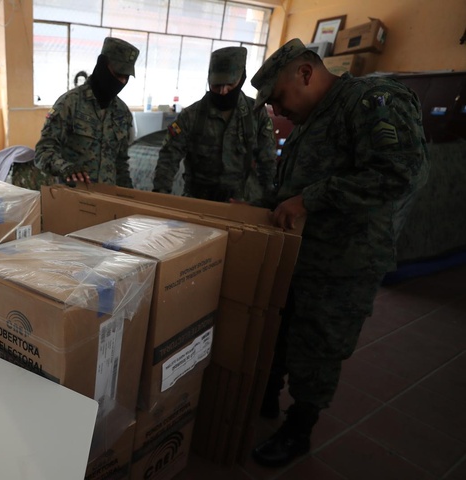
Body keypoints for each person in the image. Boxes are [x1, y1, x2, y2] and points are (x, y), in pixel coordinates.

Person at [248, 38, 429, 468]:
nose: (276, 111)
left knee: (318, 347)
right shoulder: (312, 117)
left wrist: (310, 200)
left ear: (306, 74)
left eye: (278, 98)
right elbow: (294, 187)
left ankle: (299, 429)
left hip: (344, 262)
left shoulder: (372, 101)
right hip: (301, 255)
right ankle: (267, 398)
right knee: (281, 331)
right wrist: (262, 205)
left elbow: (400, 173)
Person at [153, 46, 276, 203]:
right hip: (198, 201)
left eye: (230, 84)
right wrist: (160, 195)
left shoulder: (257, 114)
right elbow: (168, 157)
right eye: (217, 85)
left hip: (242, 201)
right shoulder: (191, 116)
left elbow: (267, 161)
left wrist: (268, 200)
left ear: (241, 78)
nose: (223, 91)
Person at [35, 37, 139, 187]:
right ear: (102, 65)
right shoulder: (70, 104)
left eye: (126, 77)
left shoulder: (122, 113)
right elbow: (42, 152)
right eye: (118, 74)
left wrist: (129, 197)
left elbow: (121, 164)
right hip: (73, 199)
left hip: (108, 201)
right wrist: (65, 167)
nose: (122, 82)